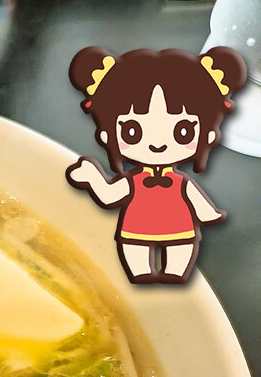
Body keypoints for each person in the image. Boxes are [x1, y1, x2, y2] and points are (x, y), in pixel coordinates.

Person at [65, 47, 247, 284]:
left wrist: (208, 213)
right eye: (132, 131)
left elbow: (198, 202)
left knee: (179, 254)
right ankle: (141, 273)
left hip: (179, 228)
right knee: (135, 256)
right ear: (107, 136)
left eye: (183, 132)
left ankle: (172, 272)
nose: (158, 144)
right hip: (136, 230)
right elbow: (109, 196)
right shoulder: (135, 181)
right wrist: (92, 178)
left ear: (209, 136)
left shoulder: (180, 183)